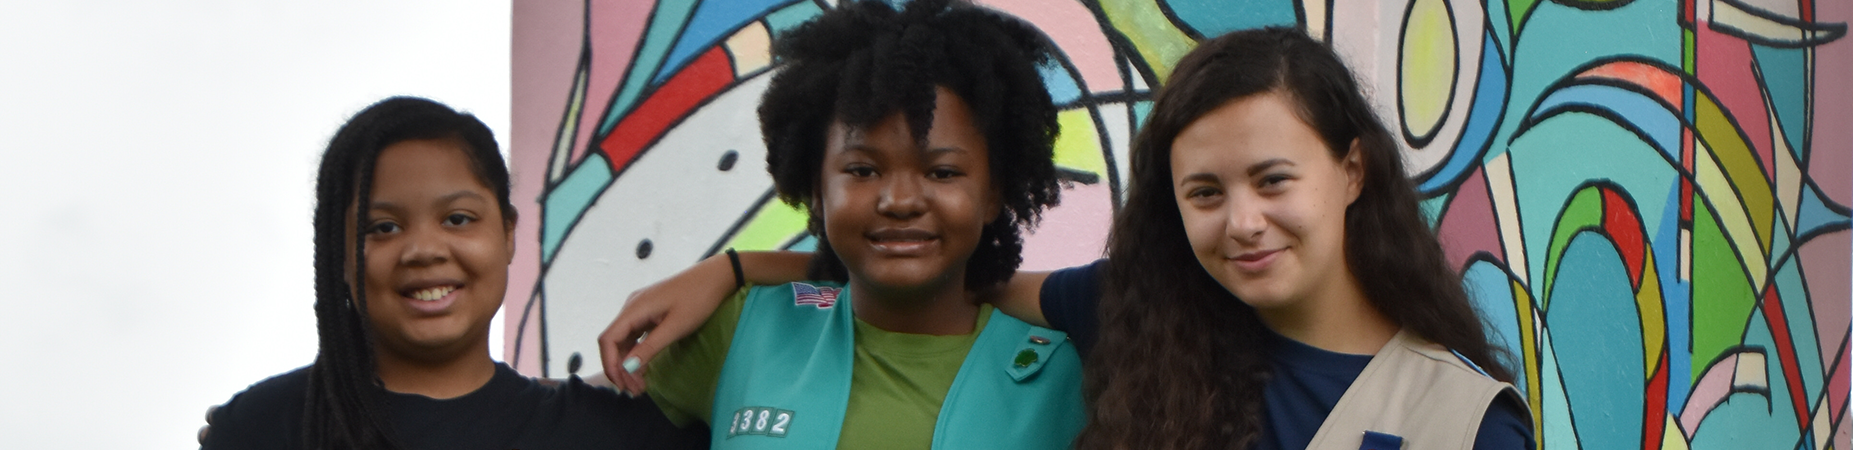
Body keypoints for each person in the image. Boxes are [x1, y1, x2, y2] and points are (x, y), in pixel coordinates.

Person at [607, 26, 1533, 450]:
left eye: (1274, 180)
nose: (1242, 220)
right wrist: (736, 269)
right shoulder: (1140, 318)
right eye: (1204, 191)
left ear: (1354, 172)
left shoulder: (1463, 423)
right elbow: (950, 280)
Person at [594, 1, 1084, 449]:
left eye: (943, 172)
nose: (900, 201)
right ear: (815, 187)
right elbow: (565, 418)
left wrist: (736, 267)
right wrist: (732, 270)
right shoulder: (740, 326)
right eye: (863, 170)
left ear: (992, 193)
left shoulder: (1068, 376)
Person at [200, 97, 706, 450]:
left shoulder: (609, 431)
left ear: (508, 233)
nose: (423, 249)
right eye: (383, 227)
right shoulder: (268, 425)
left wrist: (730, 269)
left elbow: (789, 299)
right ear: (338, 253)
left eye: (458, 219)